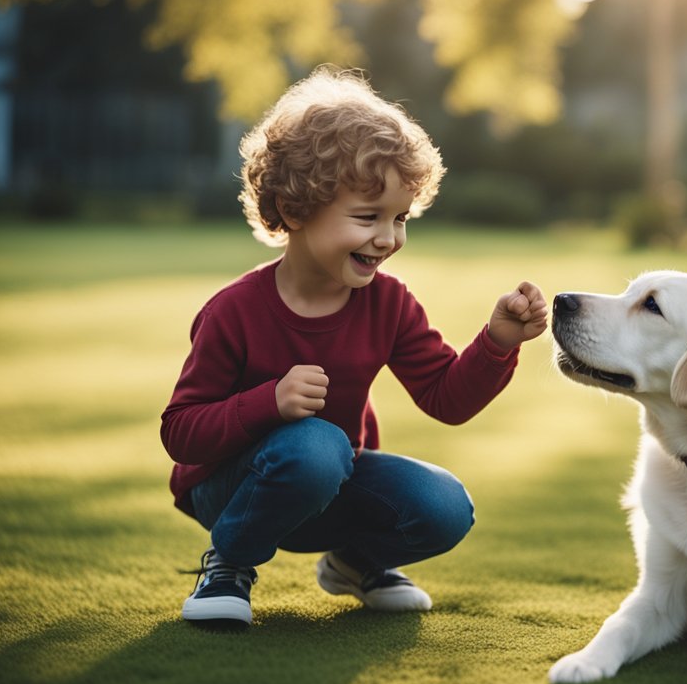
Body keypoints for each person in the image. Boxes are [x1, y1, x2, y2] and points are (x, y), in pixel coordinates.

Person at [161, 67, 548, 626]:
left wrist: (497, 343)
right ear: (295, 211)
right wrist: (269, 402)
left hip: (331, 482)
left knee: (445, 507)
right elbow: (181, 433)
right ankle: (229, 564)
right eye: (367, 217)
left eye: (400, 218)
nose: (388, 238)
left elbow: (447, 398)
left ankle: (355, 562)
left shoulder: (387, 302)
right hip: (234, 493)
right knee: (315, 445)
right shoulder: (235, 311)